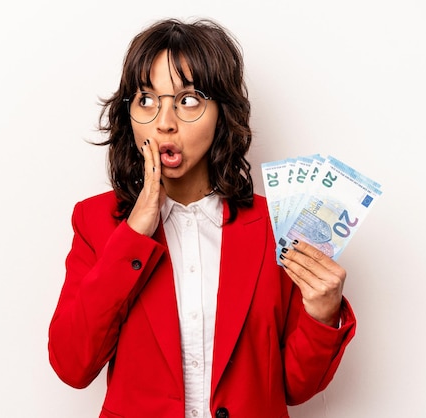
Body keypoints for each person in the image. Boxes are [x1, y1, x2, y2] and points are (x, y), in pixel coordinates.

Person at [48, 17, 356, 418]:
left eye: (188, 100)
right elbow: (72, 365)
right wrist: (134, 235)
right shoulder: (96, 222)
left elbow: (294, 388)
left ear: (221, 113)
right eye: (146, 99)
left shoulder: (274, 225)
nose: (164, 122)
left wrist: (322, 313)